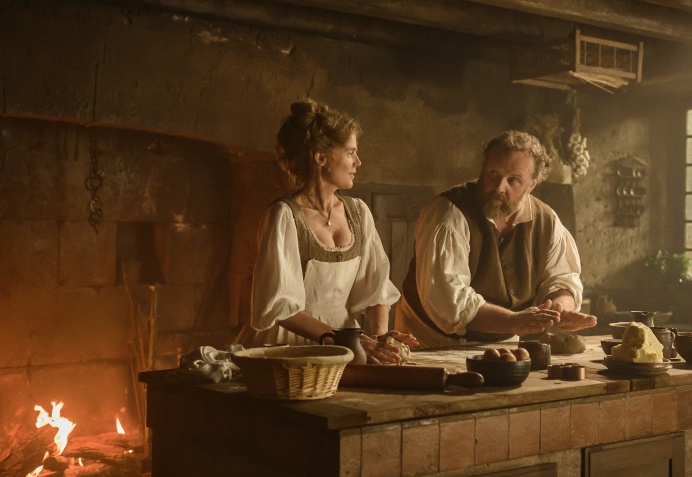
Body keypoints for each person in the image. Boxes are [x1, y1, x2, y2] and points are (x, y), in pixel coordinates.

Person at [238, 99, 417, 363]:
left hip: (349, 342)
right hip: (291, 345)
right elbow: (279, 306)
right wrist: (339, 339)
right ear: (321, 158)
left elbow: (376, 288)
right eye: (350, 152)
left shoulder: (358, 213)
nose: (358, 162)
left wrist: (380, 339)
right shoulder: (284, 216)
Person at [395, 130, 596, 348]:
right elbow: (450, 302)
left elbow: (562, 277)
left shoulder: (547, 221)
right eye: (493, 174)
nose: (499, 187)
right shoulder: (448, 215)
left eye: (513, 180)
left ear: (532, 185)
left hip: (503, 341)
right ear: (483, 169)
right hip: (430, 341)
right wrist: (514, 321)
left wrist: (559, 308)